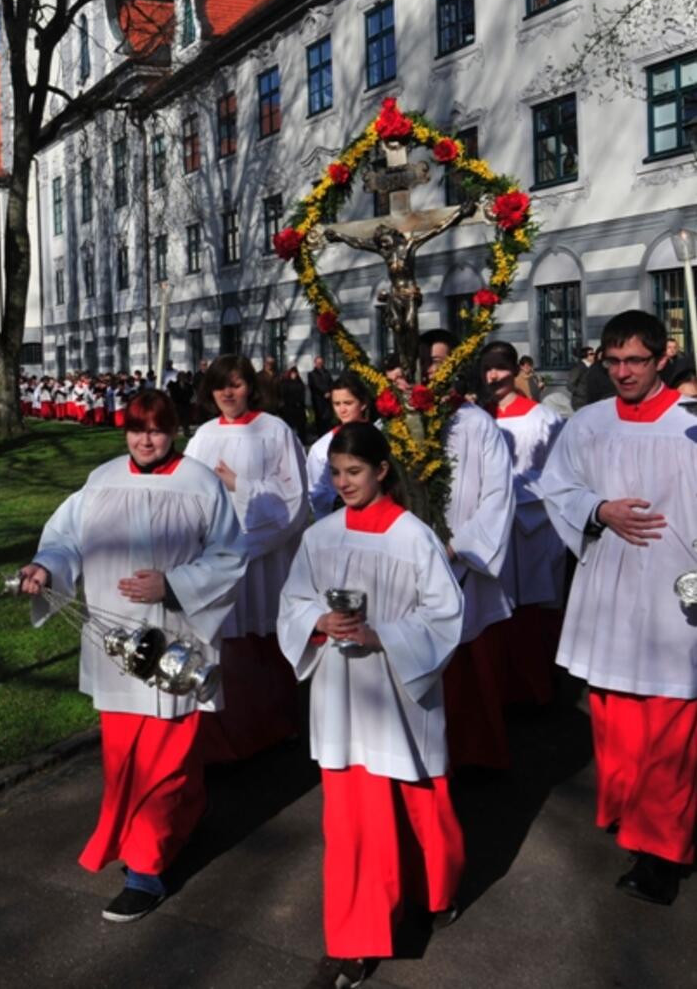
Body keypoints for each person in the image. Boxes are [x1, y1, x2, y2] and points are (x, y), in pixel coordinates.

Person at [16, 390, 245, 923]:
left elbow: (231, 555)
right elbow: (66, 540)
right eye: (137, 428)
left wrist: (174, 583)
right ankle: (185, 817)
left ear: (176, 433)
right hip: (114, 646)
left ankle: (145, 871)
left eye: (158, 430)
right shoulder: (102, 481)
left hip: (176, 642)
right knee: (126, 761)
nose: (146, 440)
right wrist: (45, 569)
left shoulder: (200, 484)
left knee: (166, 759)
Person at [278, 423, 464, 988]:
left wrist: (384, 637)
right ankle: (358, 938)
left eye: (353, 472)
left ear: (382, 470)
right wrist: (317, 621)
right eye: (335, 473)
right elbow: (293, 600)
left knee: (420, 804)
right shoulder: (321, 535)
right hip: (340, 696)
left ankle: (436, 890)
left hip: (399, 693)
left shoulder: (414, 538)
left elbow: (445, 616)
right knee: (354, 822)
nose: (343, 484)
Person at [541, 310, 697, 906]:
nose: (624, 372)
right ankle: (634, 819)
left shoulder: (688, 425)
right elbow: (558, 487)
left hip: (670, 597)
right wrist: (598, 509)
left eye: (636, 360)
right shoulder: (587, 423)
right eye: (614, 362)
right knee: (617, 721)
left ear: (663, 359)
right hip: (610, 589)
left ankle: (660, 854)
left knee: (671, 729)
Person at [184, 355, 308, 761]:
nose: (227, 393)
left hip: (263, 558)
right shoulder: (202, 437)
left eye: (236, 384)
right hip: (215, 556)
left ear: (250, 387)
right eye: (220, 386)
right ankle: (227, 741)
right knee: (223, 643)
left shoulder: (274, 431)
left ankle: (274, 728)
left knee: (263, 639)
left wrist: (241, 485)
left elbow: (294, 498)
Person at [420, 329, 516, 772]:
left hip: (462, 560)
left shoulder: (479, 424)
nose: (433, 370)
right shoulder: (401, 423)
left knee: (467, 668)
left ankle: (473, 755)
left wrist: (458, 547)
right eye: (426, 361)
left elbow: (498, 495)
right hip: (410, 566)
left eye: (441, 361)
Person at [480, 341, 567, 706]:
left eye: (501, 367)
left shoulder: (542, 419)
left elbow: (560, 472)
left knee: (530, 612)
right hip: (489, 527)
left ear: (516, 370)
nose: (494, 375)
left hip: (530, 524)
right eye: (488, 367)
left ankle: (534, 691)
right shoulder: (477, 417)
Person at [306, 372, 376, 518]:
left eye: (348, 403)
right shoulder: (322, 447)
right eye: (337, 404)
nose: (342, 410)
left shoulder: (381, 436)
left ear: (363, 403)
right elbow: (316, 491)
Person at [308, 356, 334, 432]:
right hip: (318, 399)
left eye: (321, 363)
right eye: (318, 363)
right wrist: (324, 393)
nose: (320, 364)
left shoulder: (326, 372)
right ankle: (320, 434)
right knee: (320, 419)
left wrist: (330, 392)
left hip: (328, 399)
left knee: (328, 418)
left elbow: (331, 383)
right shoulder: (312, 374)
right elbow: (314, 386)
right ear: (315, 363)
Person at [567, 346, 595, 411]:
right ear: (584, 355)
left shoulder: (592, 367)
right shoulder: (578, 367)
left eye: (594, 353)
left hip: (589, 401)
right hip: (580, 402)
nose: (594, 355)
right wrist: (581, 393)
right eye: (591, 354)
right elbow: (570, 384)